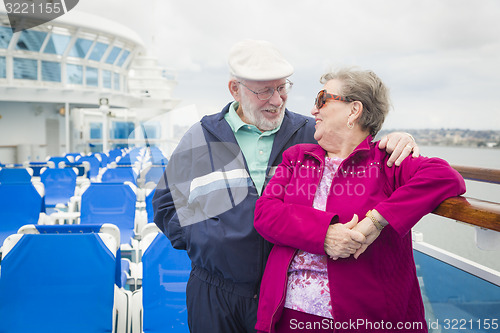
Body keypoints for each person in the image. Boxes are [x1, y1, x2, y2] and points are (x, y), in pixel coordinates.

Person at [153, 40, 419, 333]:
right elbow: (166, 205)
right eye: (264, 90)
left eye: (282, 88)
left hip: (281, 294)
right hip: (214, 292)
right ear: (235, 89)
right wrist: (205, 241)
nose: (277, 100)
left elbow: (360, 146)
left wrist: (399, 138)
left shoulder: (312, 134)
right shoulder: (201, 136)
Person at [253, 67, 466, 333]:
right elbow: (265, 214)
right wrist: (325, 234)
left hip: (362, 319)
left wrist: (374, 222)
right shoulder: (297, 157)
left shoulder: (387, 161)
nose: (313, 110)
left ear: (354, 110)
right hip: (288, 315)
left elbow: (445, 177)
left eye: (322, 99)